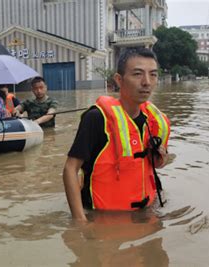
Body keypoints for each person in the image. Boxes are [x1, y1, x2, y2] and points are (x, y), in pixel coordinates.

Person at [62, 48, 171, 220]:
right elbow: (70, 168)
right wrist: (80, 222)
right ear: (119, 80)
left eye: (153, 75)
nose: (147, 82)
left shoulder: (153, 120)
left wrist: (160, 158)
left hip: (146, 212)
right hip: (102, 216)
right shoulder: (96, 118)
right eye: (137, 74)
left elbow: (156, 164)